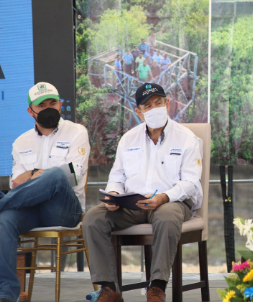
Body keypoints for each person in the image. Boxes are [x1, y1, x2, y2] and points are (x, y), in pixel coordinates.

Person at [83, 83, 203, 302]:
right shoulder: (128, 139)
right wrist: (113, 195)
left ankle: (157, 287)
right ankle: (109, 289)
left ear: (168, 103)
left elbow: (191, 183)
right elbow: (117, 177)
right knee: (93, 218)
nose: (155, 107)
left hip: (172, 202)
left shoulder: (187, 138)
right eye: (148, 105)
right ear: (138, 112)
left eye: (159, 102)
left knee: (166, 217)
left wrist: (163, 197)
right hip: (133, 204)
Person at [0, 82, 89, 302]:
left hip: (66, 209)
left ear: (60, 105)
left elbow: (73, 174)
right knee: (4, 221)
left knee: (56, 176)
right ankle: (6, 294)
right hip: (31, 209)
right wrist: (35, 173)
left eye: (53, 102)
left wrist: (38, 173)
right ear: (31, 111)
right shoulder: (21, 142)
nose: (49, 107)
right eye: (42, 105)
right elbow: (17, 184)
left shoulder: (77, 131)